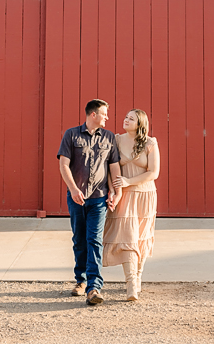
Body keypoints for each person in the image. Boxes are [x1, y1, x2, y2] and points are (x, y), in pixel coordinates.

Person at [57, 99, 122, 306]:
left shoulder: (109, 137)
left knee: (95, 240)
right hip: (77, 198)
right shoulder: (71, 135)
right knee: (79, 239)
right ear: (93, 114)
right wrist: (74, 189)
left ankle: (94, 287)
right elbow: (64, 165)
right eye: (104, 114)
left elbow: (114, 168)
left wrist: (116, 193)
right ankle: (81, 281)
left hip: (99, 200)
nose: (107, 118)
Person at [102, 108, 160, 301]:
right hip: (124, 196)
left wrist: (129, 181)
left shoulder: (150, 143)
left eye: (131, 118)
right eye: (126, 117)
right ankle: (131, 284)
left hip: (145, 195)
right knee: (127, 238)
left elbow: (153, 173)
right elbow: (110, 169)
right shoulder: (116, 140)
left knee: (141, 238)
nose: (125, 120)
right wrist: (114, 189)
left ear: (140, 123)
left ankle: (138, 276)